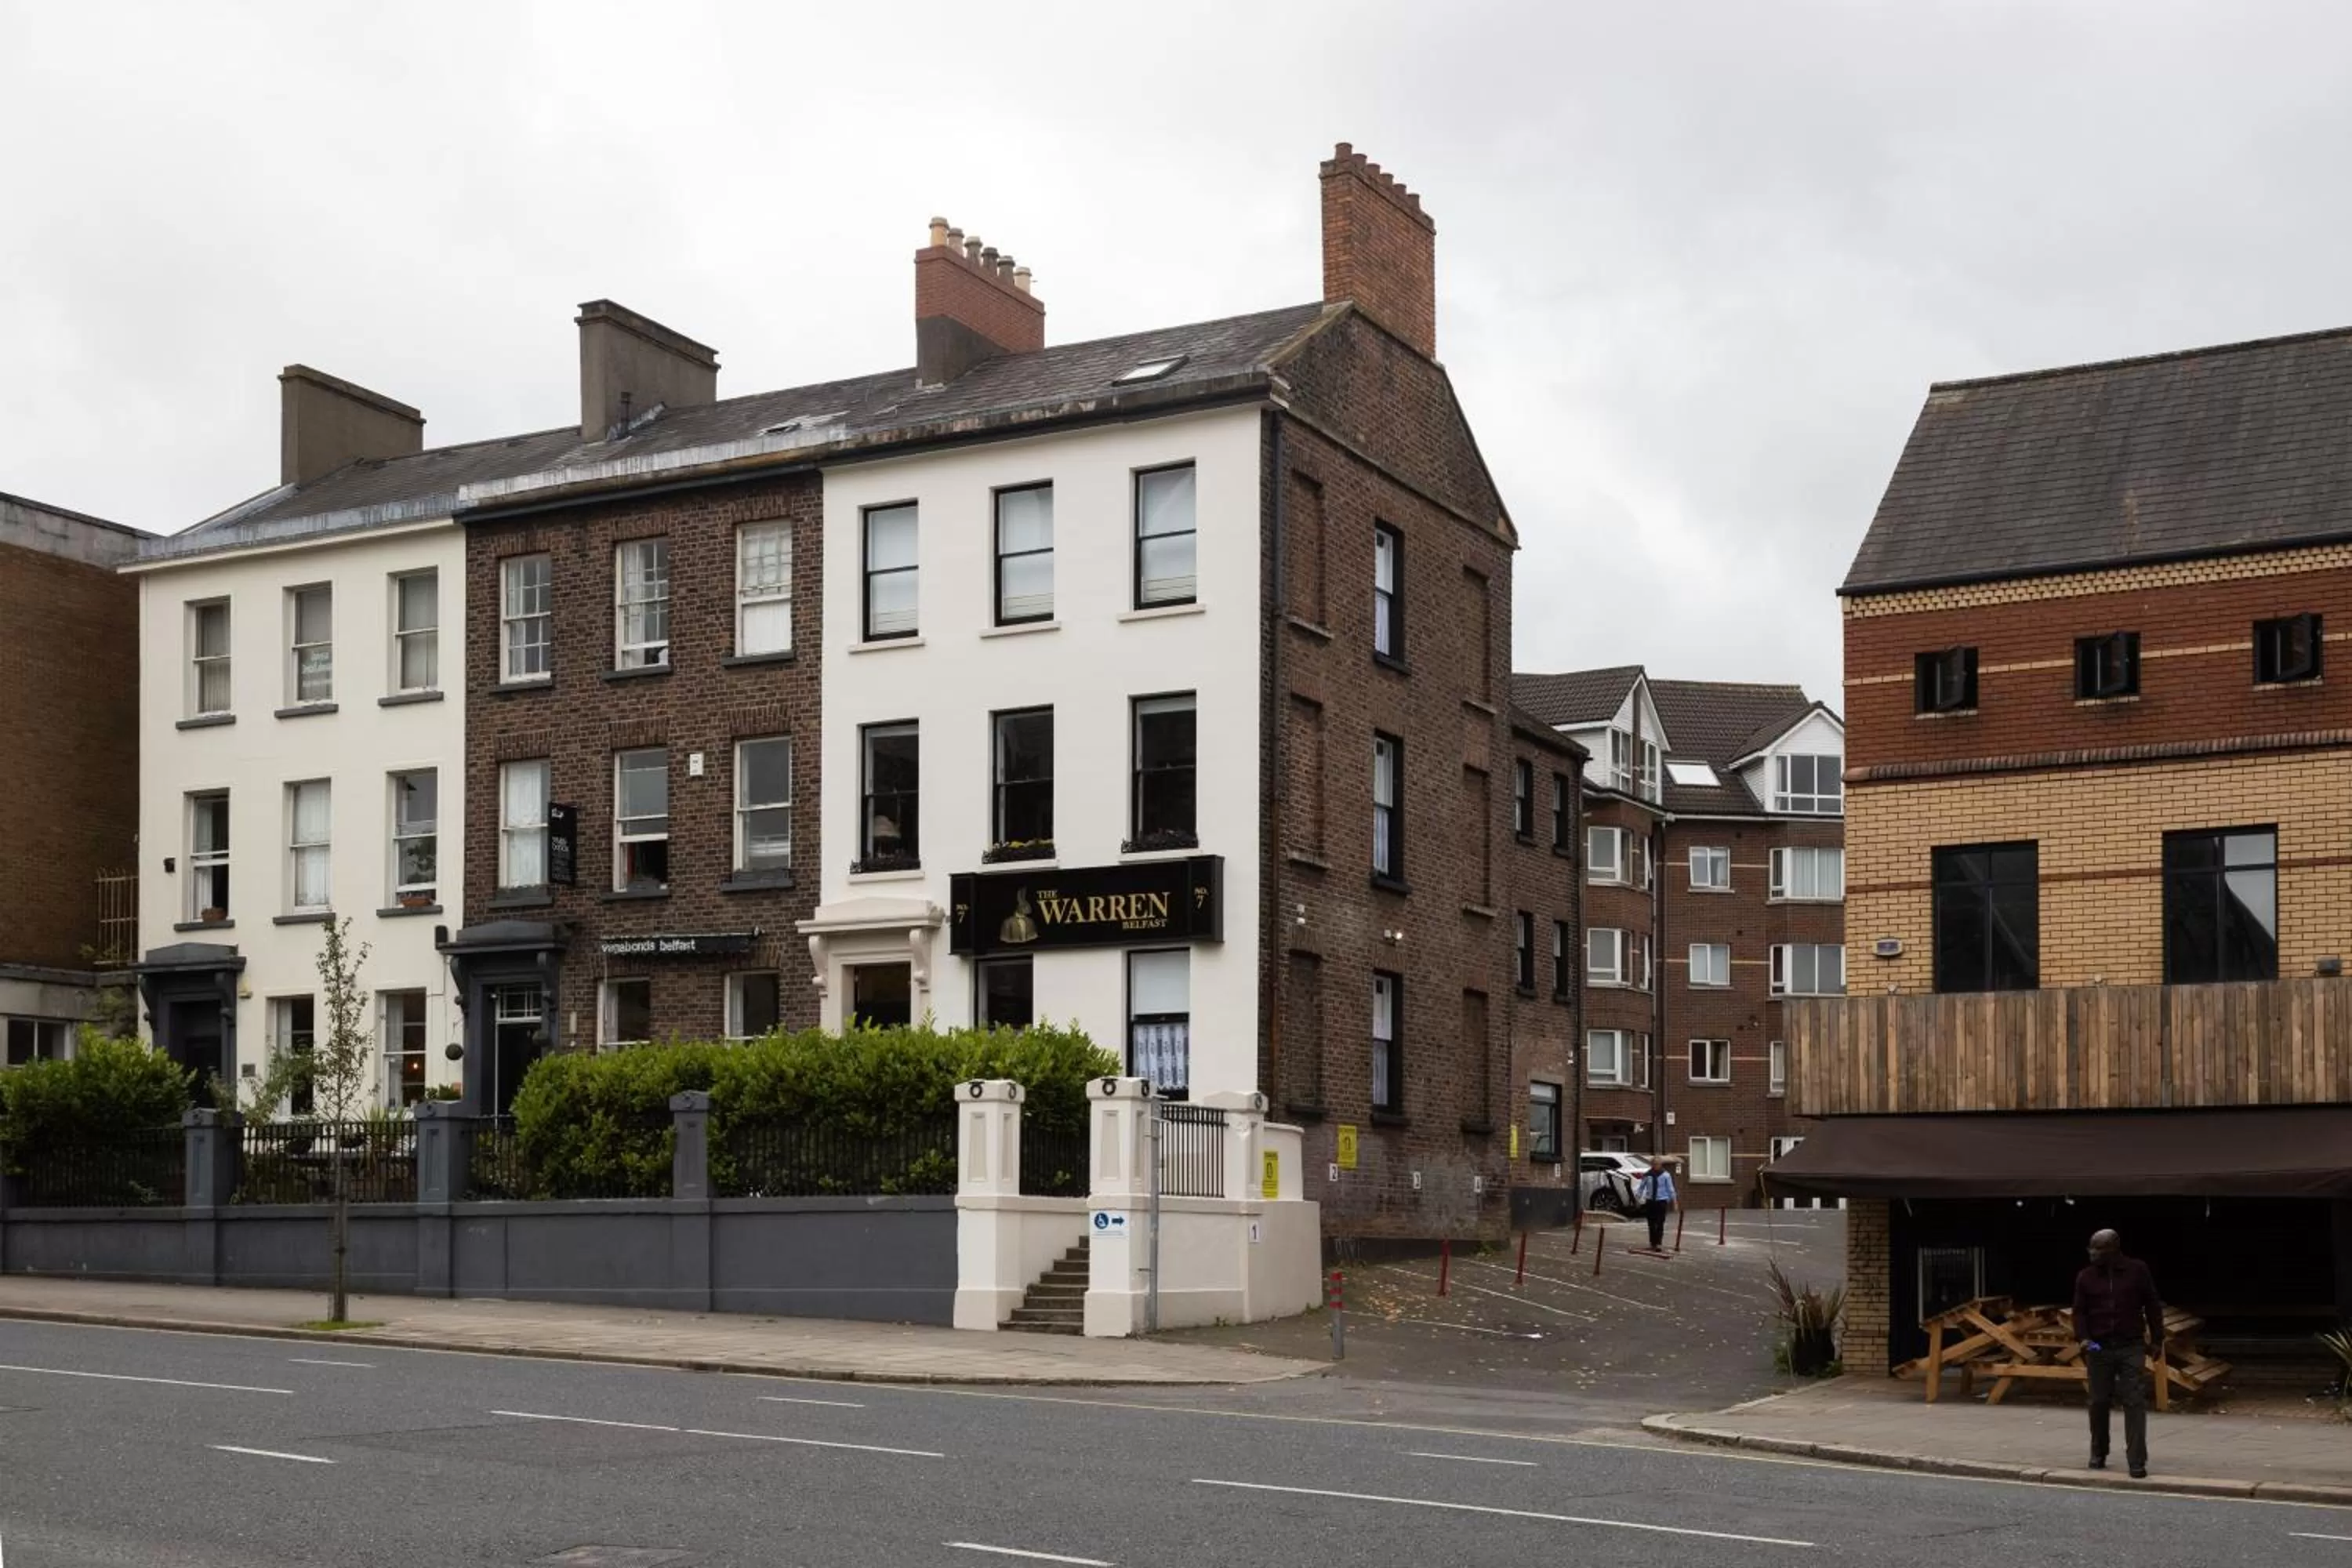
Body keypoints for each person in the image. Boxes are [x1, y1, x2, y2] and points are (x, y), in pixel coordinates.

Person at [2072, 1229, 2165, 1478]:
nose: (2093, 1255)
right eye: (2091, 1249)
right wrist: (2083, 1339)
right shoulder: (2085, 1277)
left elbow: (2152, 1304)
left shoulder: (2137, 1270)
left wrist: (2158, 1339)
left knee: (2134, 1400)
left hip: (2130, 1345)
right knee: (2099, 1401)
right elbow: (2079, 1311)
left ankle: (2136, 1459)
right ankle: (2098, 1452)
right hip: (2099, 1347)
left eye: (2099, 1250)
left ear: (2114, 1250)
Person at [1638, 1156, 1677, 1251]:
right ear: (1652, 1165)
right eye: (1654, 1164)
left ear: (1661, 1165)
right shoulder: (1647, 1175)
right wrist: (1638, 1198)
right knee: (1651, 1223)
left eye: (1658, 1164)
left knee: (1660, 1223)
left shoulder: (1665, 1175)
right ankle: (1652, 1243)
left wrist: (1675, 1201)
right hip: (1650, 1201)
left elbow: (1670, 1189)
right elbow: (1642, 1187)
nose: (1656, 1166)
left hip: (1661, 1201)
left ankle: (1659, 1243)